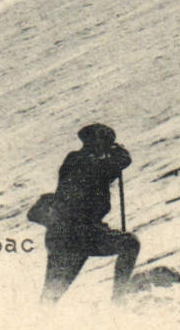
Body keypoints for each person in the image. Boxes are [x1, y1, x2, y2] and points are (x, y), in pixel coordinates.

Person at [40, 123, 139, 303]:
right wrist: (119, 153)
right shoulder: (84, 162)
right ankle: (118, 300)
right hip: (78, 236)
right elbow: (118, 163)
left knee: (52, 293)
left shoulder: (76, 161)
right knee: (130, 244)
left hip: (67, 235)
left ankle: (36, 319)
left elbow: (111, 169)